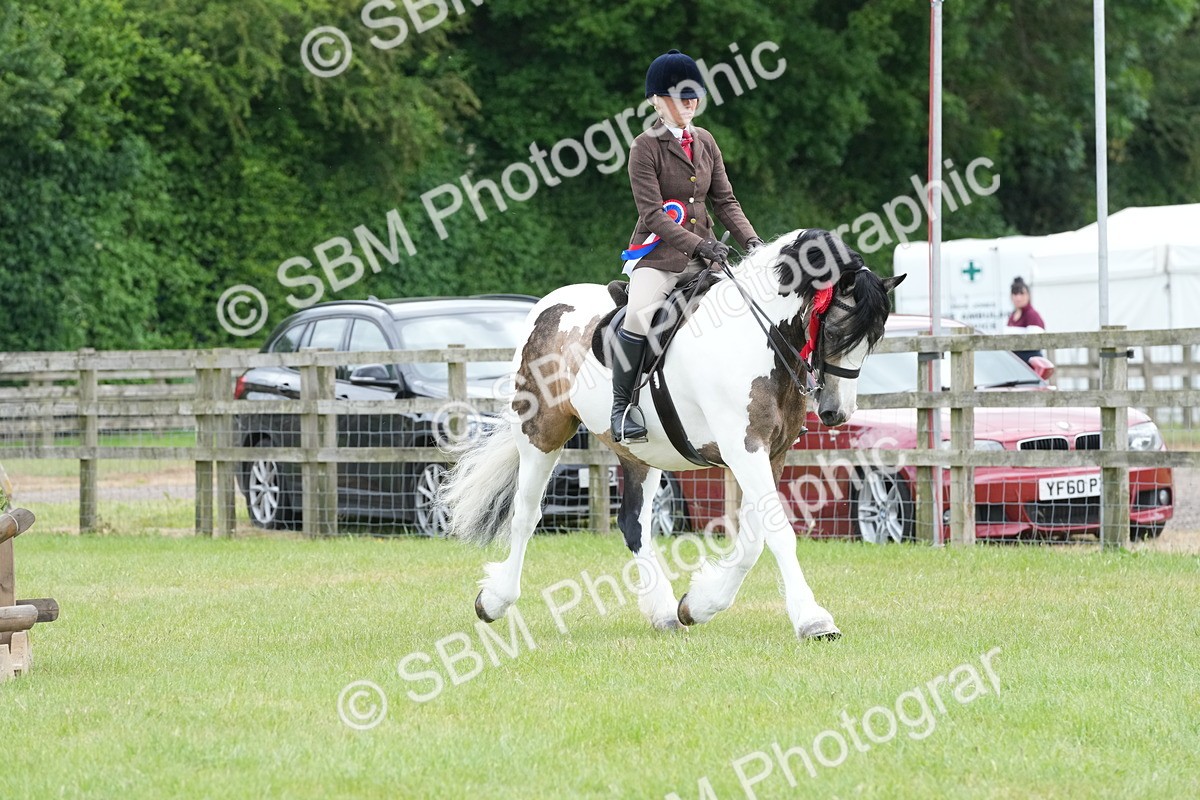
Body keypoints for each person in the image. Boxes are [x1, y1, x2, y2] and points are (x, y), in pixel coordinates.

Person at [610, 49, 764, 443]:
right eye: (681, 95)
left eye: (694, 93)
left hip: (706, 257)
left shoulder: (706, 141)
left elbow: (725, 201)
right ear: (657, 102)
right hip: (659, 256)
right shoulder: (645, 147)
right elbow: (654, 215)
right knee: (639, 316)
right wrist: (700, 246)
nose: (690, 101)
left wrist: (753, 243)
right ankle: (623, 408)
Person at [1005, 276, 1046, 364]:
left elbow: (1034, 343)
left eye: (1022, 294)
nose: (1018, 298)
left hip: (1030, 365)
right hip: (1015, 364)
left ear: (1028, 295)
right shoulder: (1012, 317)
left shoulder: (1032, 315)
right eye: (1015, 294)